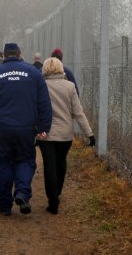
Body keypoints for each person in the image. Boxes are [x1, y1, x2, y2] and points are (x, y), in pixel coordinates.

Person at [0, 42, 52, 216]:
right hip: (26, 128)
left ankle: (5, 203)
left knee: (2, 163)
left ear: (4, 56)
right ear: (20, 54)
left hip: (2, 128)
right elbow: (44, 102)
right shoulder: (34, 73)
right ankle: (22, 192)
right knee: (25, 160)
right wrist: (43, 127)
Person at [38, 57, 95, 214]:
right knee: (61, 163)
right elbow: (78, 112)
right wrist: (89, 133)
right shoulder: (70, 87)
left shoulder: (40, 85)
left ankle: (52, 200)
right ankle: (58, 192)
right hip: (65, 134)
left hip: (46, 134)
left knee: (49, 166)